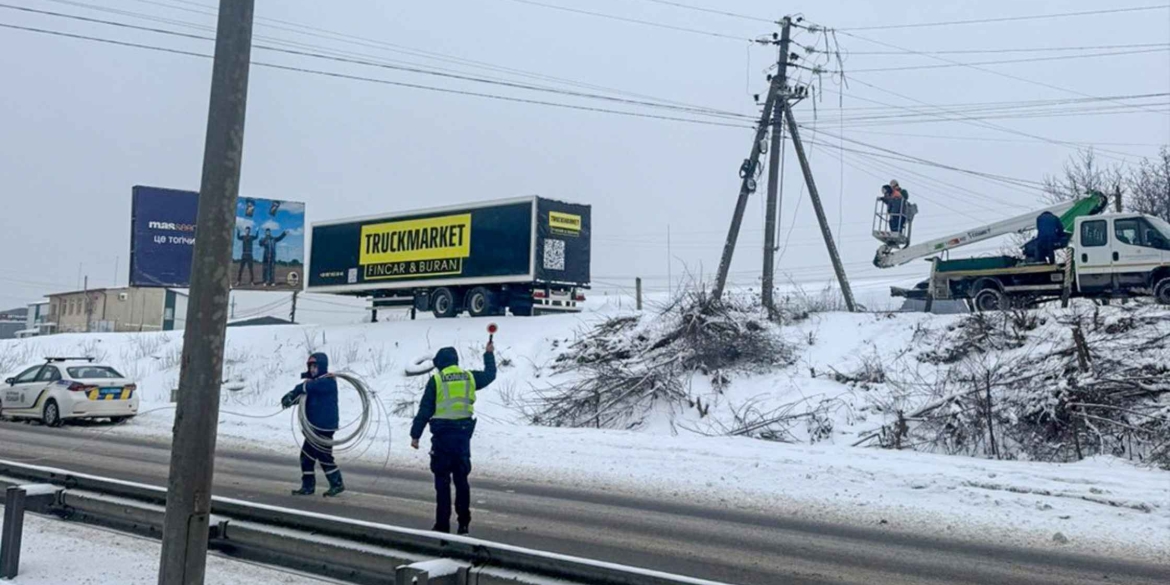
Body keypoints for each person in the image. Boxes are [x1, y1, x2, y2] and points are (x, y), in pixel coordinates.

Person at [410, 344, 496, 535]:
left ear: (439, 364)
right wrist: (489, 354)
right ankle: (464, 523)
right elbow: (490, 375)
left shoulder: (437, 380)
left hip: (442, 438)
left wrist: (415, 435)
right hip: (463, 438)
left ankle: (442, 525)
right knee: (462, 481)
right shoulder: (469, 377)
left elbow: (425, 410)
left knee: (442, 483)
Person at [281, 353, 345, 497]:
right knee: (306, 457)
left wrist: (295, 390)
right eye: (311, 366)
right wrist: (291, 398)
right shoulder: (313, 384)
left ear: (321, 367)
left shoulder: (327, 382)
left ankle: (337, 483)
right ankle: (308, 486)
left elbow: (308, 387)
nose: (313, 369)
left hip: (324, 427)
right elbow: (304, 396)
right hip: (313, 428)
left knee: (324, 456)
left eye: (315, 366)